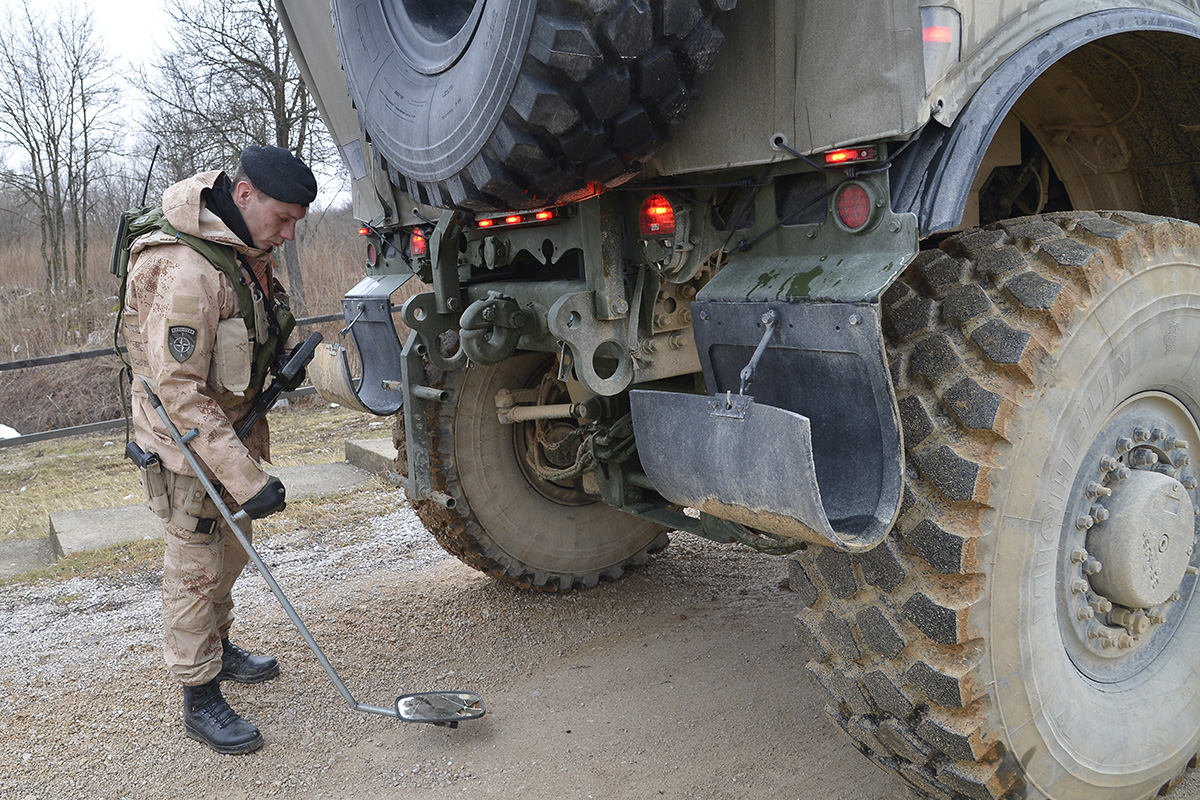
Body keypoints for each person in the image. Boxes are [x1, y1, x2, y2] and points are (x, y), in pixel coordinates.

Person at [120, 145, 317, 754]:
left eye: (295, 224)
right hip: (188, 447)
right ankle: (198, 695)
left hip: (230, 432)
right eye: (281, 218)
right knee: (194, 569)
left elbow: (248, 339)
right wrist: (248, 478)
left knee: (229, 554)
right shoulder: (189, 270)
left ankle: (220, 647)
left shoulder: (244, 254)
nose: (286, 234)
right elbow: (176, 389)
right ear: (244, 195)